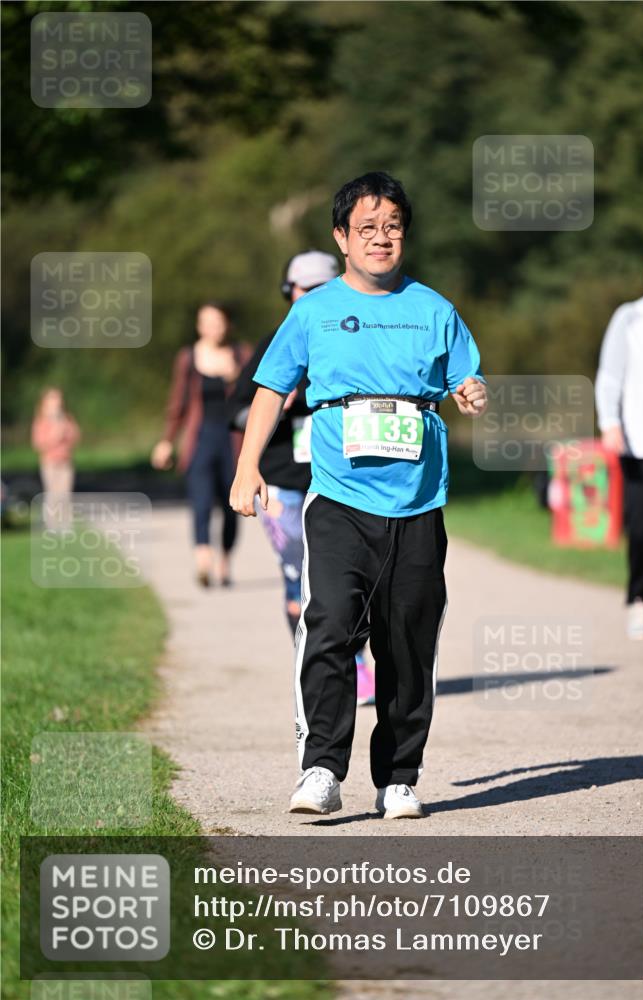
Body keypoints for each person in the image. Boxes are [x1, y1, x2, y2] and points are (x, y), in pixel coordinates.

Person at [230, 171, 487, 819]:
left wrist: (471, 392)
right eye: (367, 228)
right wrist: (246, 468)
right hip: (340, 500)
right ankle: (320, 768)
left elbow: (465, 378)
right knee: (332, 629)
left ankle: (398, 777)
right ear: (341, 237)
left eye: (392, 227)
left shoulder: (434, 309)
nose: (381, 238)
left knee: (407, 642)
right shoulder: (312, 310)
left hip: (418, 503)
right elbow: (270, 389)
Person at [228, 250, 376, 706]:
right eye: (302, 288)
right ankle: (314, 664)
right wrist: (283, 402)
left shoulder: (357, 337)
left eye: (320, 287)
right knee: (299, 577)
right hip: (284, 482)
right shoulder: (277, 339)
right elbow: (238, 412)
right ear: (287, 291)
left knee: (351, 578)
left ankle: (354, 664)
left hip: (344, 478)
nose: (310, 295)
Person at [595, 243, 643, 640]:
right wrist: (610, 423)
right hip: (641, 443)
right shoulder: (630, 318)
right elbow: (610, 376)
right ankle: (640, 602)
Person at [152, 301, 249, 587]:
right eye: (206, 322)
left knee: (233, 505)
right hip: (201, 440)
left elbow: (257, 396)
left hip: (233, 442)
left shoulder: (242, 355)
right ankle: (203, 558)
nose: (212, 328)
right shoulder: (188, 358)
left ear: (227, 324)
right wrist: (167, 441)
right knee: (201, 501)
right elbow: (178, 402)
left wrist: (238, 377)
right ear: (199, 326)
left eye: (217, 322)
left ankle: (225, 561)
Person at [31, 387, 80, 532]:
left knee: (65, 493)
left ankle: (65, 524)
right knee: (52, 493)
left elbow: (75, 436)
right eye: (53, 398)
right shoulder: (41, 420)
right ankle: (51, 524)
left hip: (65, 461)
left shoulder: (66, 418)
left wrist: (65, 427)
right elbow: (38, 443)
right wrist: (55, 433)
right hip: (50, 462)